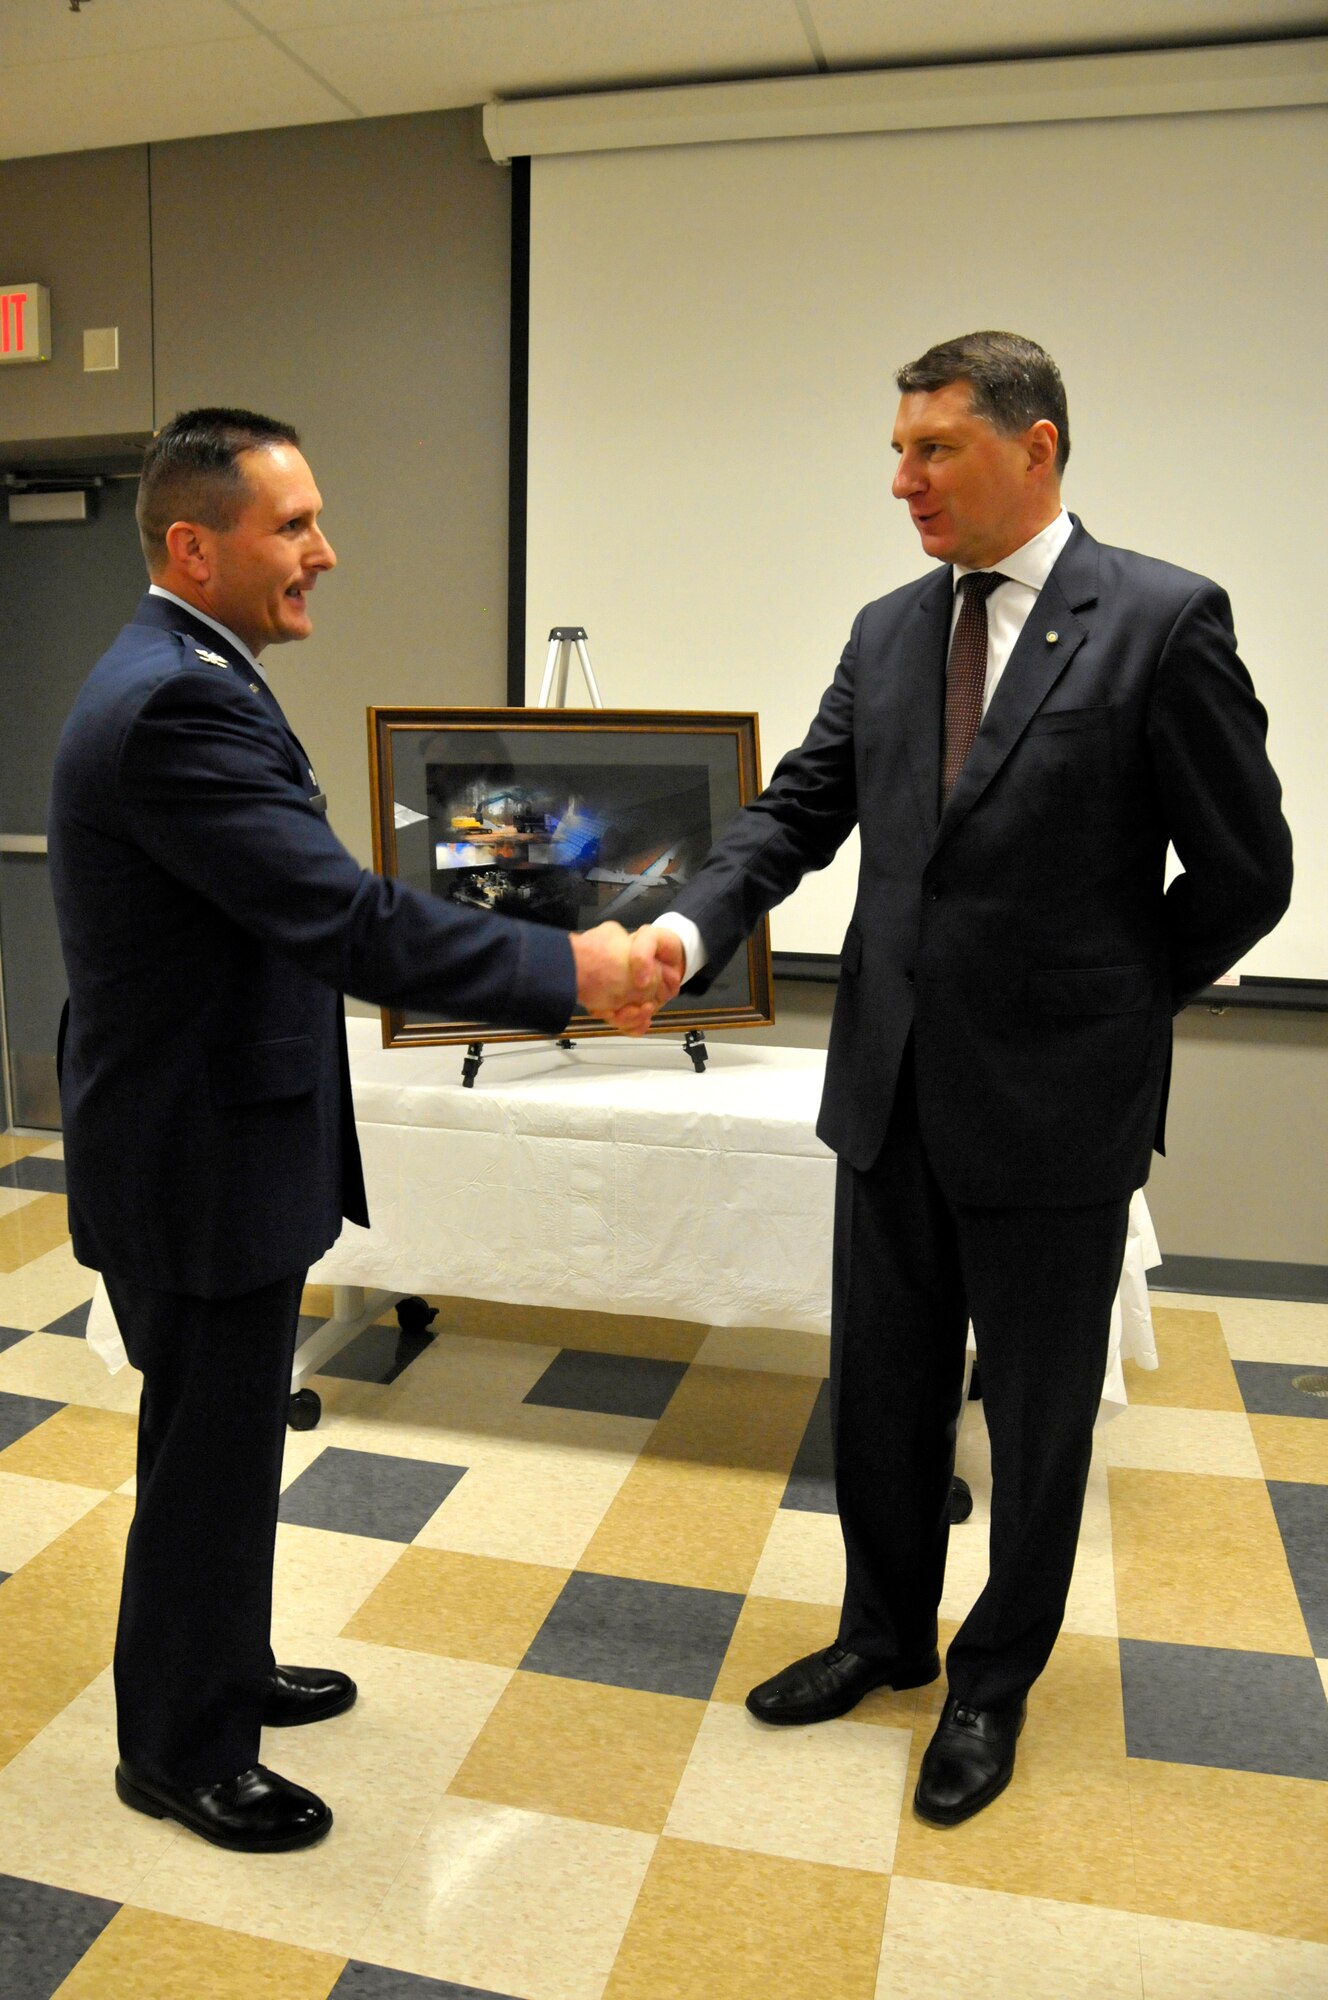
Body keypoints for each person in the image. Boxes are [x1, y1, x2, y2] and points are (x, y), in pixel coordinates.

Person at [636, 332, 1292, 1826]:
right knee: (882, 1391)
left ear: (1036, 447)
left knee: (1040, 1421)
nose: (902, 479)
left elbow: (1250, 871)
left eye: (933, 448)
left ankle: (994, 1685)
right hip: (888, 1090)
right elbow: (799, 809)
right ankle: (885, 1634)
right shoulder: (886, 631)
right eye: (900, 447)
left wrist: (1121, 1003)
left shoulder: (1161, 621)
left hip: (1059, 1108)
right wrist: (689, 924)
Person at [47, 407, 677, 1854]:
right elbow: (341, 917)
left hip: (210, 1131)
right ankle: (181, 1751)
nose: (326, 553)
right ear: (194, 546)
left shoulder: (194, 671)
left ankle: (225, 1665)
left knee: (223, 1438)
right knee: (205, 1454)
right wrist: (570, 971)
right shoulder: (178, 703)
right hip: (198, 1151)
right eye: (294, 527)